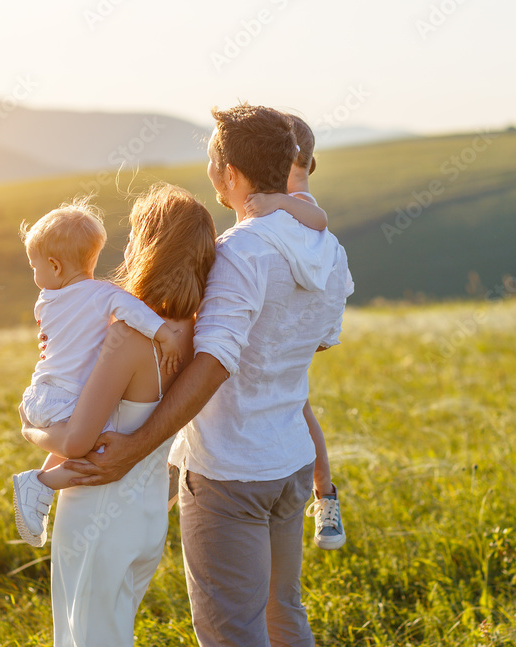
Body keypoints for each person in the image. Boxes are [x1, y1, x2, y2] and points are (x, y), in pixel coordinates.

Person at [63, 104, 354, 647]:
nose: (210, 175)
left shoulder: (239, 253)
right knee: (281, 610)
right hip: (290, 460)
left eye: (213, 163)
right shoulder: (330, 251)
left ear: (233, 176)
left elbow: (216, 363)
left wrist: (134, 446)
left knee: (230, 631)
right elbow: (318, 339)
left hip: (228, 470)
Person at [20, 183, 216, 646]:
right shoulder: (196, 330)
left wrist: (29, 429)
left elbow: (75, 442)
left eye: (132, 235)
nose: (124, 246)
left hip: (96, 513)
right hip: (150, 514)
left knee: (82, 639)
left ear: (149, 246)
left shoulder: (127, 337)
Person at [12, 198, 184, 548]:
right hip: (68, 396)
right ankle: (42, 485)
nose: (34, 276)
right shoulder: (104, 294)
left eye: (34, 266)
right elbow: (136, 313)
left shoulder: (45, 300)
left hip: (41, 394)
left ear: (55, 266)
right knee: (102, 446)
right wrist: (165, 334)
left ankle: (40, 484)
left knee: (80, 440)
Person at [241, 113, 347, 550]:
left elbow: (318, 220)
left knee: (298, 407)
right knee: (297, 404)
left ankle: (325, 494)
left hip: (293, 321)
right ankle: (323, 493)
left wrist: (280, 204)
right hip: (298, 319)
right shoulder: (287, 197)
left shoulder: (299, 198)